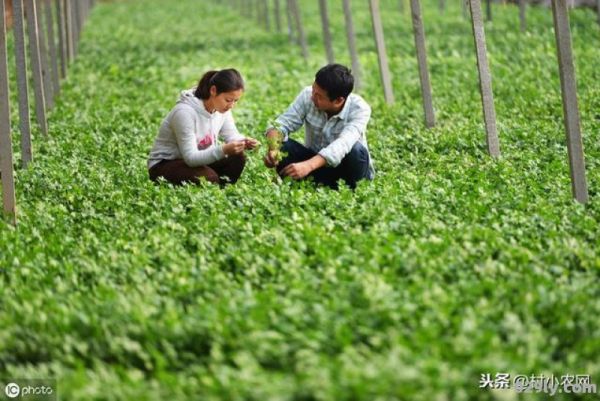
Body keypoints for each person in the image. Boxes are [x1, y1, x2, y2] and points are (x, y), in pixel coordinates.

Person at [264, 64, 373, 189]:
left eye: (319, 96)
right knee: (283, 145)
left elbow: (343, 144)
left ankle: (352, 189)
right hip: (316, 165)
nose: (312, 97)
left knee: (356, 150)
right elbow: (280, 125)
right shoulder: (307, 95)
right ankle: (317, 184)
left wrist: (308, 166)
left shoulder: (359, 109)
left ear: (338, 101)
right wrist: (273, 149)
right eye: (313, 90)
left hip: (347, 170)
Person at [148, 69, 258, 186]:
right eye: (228, 100)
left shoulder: (222, 109)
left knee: (237, 157)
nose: (231, 106)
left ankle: (220, 193)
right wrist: (223, 150)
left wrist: (244, 142)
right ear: (213, 90)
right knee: (209, 178)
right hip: (165, 164)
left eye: (235, 101)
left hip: (198, 159)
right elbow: (190, 158)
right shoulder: (184, 112)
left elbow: (232, 135)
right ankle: (213, 186)